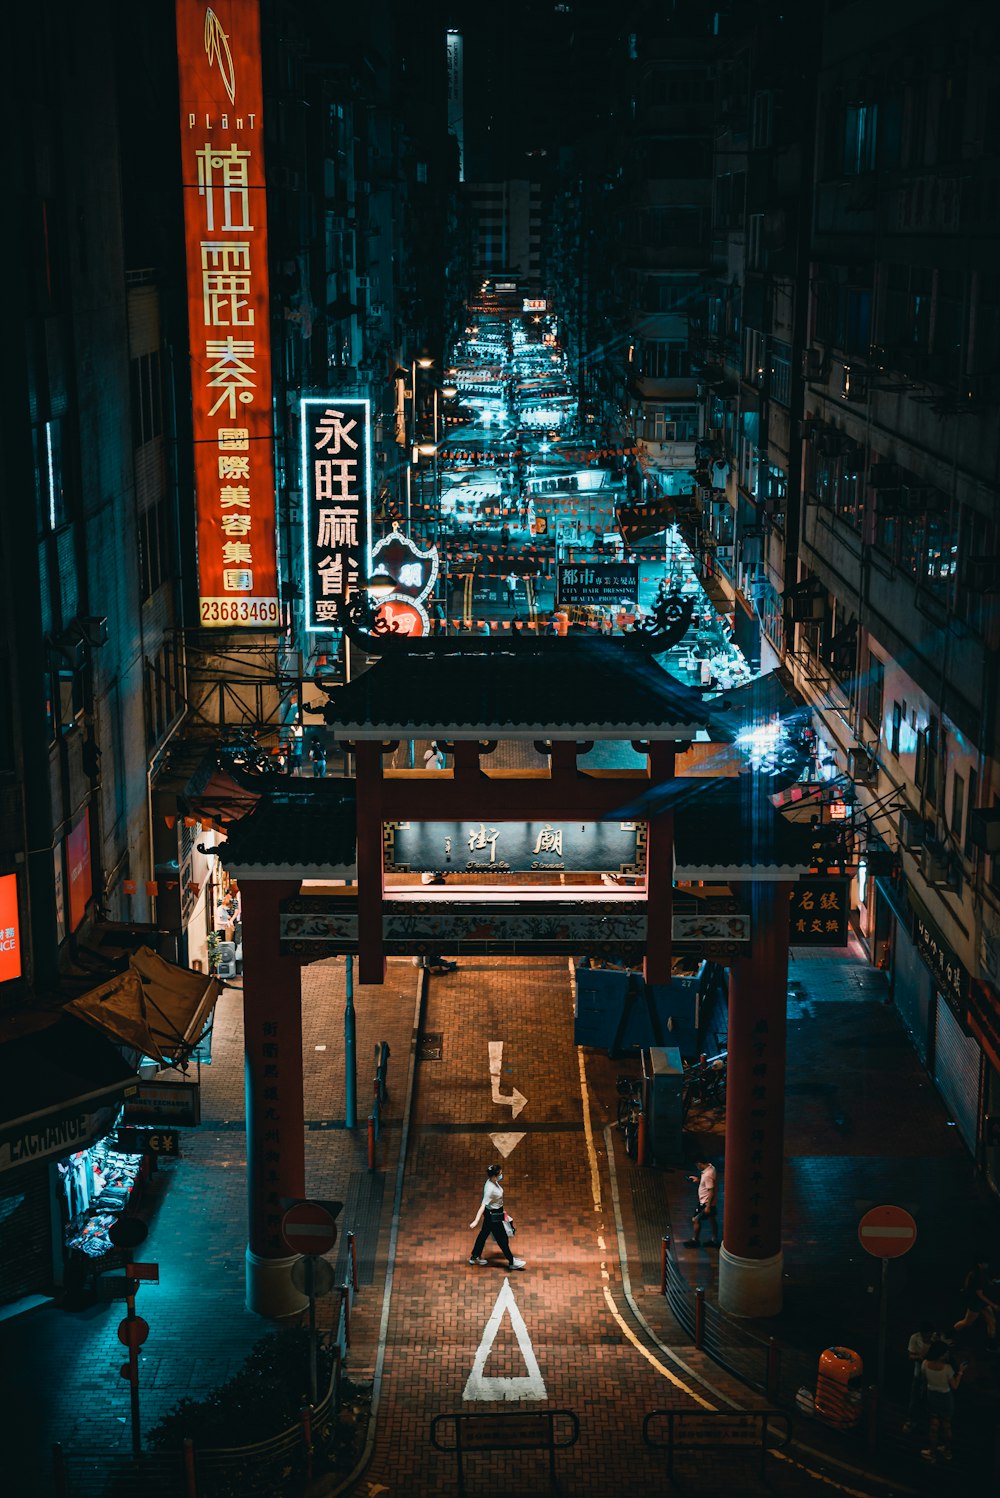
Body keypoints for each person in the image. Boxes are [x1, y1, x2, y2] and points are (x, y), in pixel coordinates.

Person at [468, 1163, 525, 1270]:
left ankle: (475, 1256)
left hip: (495, 1212)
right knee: (502, 1238)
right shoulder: (490, 1189)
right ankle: (512, 1261)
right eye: (500, 1174)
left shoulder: (492, 1181)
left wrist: (501, 1209)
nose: (501, 1175)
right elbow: (483, 1205)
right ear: (494, 1176)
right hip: (493, 1216)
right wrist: (476, 1220)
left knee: (483, 1234)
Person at [920, 1341, 965, 1462]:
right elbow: (954, 1386)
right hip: (946, 1397)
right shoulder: (947, 1369)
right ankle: (947, 1450)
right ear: (941, 1354)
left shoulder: (924, 1364)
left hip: (932, 1395)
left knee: (934, 1425)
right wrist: (960, 1372)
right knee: (947, 1425)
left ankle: (932, 1453)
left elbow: (924, 1380)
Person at [954, 1258, 997, 1340]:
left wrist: (991, 1281)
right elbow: (980, 1294)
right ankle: (950, 1334)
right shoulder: (976, 1275)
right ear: (979, 1264)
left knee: (992, 1322)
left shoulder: (980, 1272)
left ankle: (992, 1345)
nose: (987, 1265)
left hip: (982, 1302)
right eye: (985, 1263)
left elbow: (984, 1282)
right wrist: (994, 1305)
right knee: (967, 1322)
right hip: (975, 1302)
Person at [903, 1323, 934, 1432]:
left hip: (932, 1372)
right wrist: (919, 1356)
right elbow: (911, 1355)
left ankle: (927, 1422)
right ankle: (911, 1420)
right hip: (919, 1370)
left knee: (929, 1397)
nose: (927, 1337)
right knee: (915, 1395)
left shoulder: (936, 1338)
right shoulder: (915, 1338)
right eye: (925, 1335)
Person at [684, 1158, 719, 1247]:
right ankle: (714, 1240)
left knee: (695, 1219)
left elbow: (710, 1190)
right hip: (711, 1202)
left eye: (697, 1165)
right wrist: (698, 1180)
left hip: (705, 1202)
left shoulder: (707, 1175)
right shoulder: (711, 1168)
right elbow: (708, 1184)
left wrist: (707, 1206)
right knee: (712, 1219)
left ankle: (695, 1240)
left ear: (699, 1163)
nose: (697, 1167)